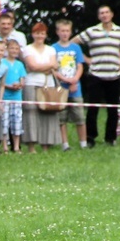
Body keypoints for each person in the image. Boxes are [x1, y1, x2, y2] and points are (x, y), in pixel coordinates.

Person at [73, 5, 120, 147]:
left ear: (112, 14)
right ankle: (90, 137)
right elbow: (73, 43)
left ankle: (110, 138)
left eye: (107, 12)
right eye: (101, 13)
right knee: (93, 108)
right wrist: (85, 59)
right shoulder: (92, 31)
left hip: (114, 75)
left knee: (113, 109)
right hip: (96, 74)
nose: (104, 15)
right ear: (98, 17)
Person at [23, 22, 60, 153]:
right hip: (31, 83)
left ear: (46, 35)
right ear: (33, 34)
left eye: (42, 33)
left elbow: (55, 66)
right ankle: (31, 146)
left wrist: (44, 66)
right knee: (30, 113)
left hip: (48, 84)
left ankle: (46, 145)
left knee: (48, 113)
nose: (40, 36)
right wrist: (48, 66)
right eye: (37, 33)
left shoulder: (51, 49)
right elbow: (32, 66)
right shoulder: (27, 49)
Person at [53, 19, 87, 150]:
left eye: (67, 31)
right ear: (57, 32)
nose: (65, 33)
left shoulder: (76, 48)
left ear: (70, 32)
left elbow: (80, 66)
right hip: (61, 87)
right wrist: (65, 80)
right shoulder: (53, 48)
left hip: (75, 87)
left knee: (79, 116)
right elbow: (53, 70)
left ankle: (83, 143)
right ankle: (65, 144)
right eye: (62, 31)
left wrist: (75, 80)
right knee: (62, 118)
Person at [1, 40, 27, 153]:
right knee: (4, 122)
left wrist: (19, 85)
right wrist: (8, 86)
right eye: (12, 48)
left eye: (16, 49)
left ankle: (16, 146)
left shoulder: (20, 64)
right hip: (4, 97)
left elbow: (23, 80)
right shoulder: (2, 62)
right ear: (7, 49)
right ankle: (4, 146)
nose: (14, 51)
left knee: (16, 122)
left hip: (17, 98)